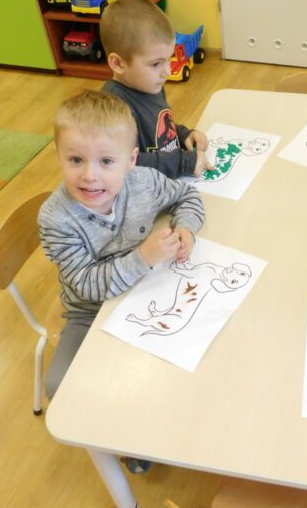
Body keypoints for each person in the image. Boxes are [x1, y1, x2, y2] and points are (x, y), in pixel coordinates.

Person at [38, 90, 206, 401]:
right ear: (58, 154)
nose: (90, 175)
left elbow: (187, 195)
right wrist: (143, 257)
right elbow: (86, 284)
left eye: (106, 161)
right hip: (90, 310)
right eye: (76, 160)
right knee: (60, 389)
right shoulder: (56, 219)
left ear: (130, 160)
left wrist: (187, 228)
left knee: (172, 380)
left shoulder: (143, 181)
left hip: (151, 290)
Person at [100, 0, 213, 178]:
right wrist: (183, 162)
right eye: (156, 64)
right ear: (118, 63)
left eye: (169, 59)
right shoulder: (112, 109)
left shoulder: (149, 84)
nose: (167, 71)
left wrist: (184, 135)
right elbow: (128, 163)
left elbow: (159, 130)